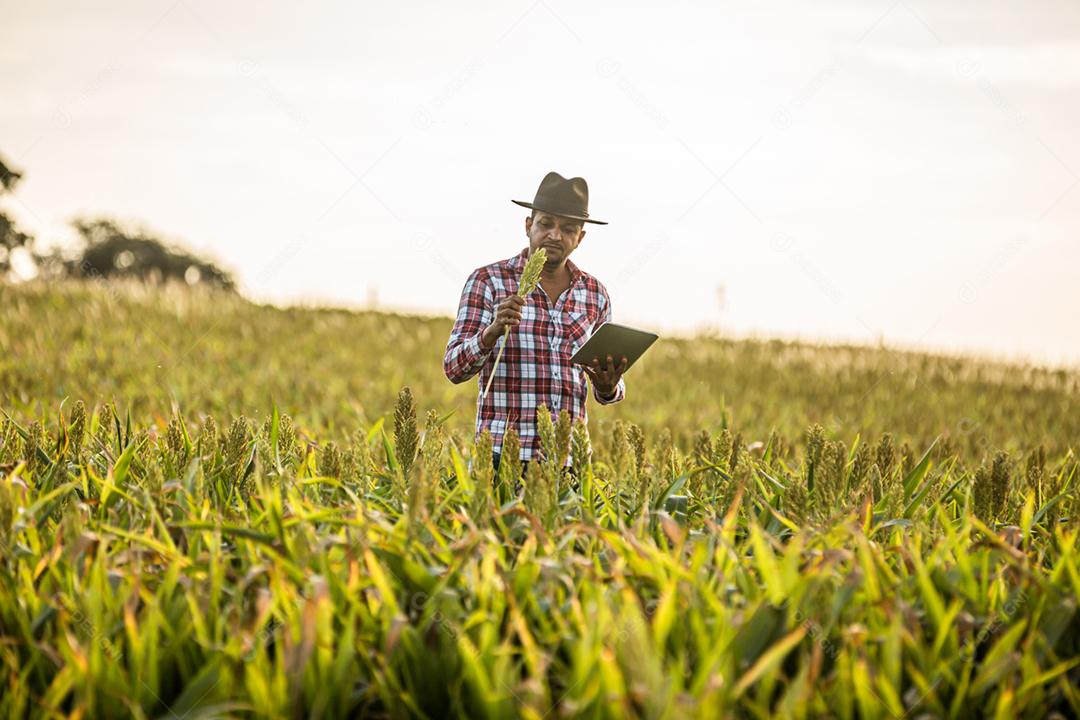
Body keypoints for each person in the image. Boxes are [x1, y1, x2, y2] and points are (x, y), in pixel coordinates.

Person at [443, 171, 628, 478]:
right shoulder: (488, 281)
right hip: (500, 457)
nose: (555, 235)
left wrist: (607, 386)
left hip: (567, 463)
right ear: (528, 225)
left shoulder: (595, 294)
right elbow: (453, 368)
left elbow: (608, 391)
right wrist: (490, 333)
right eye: (546, 224)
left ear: (580, 238)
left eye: (568, 228)